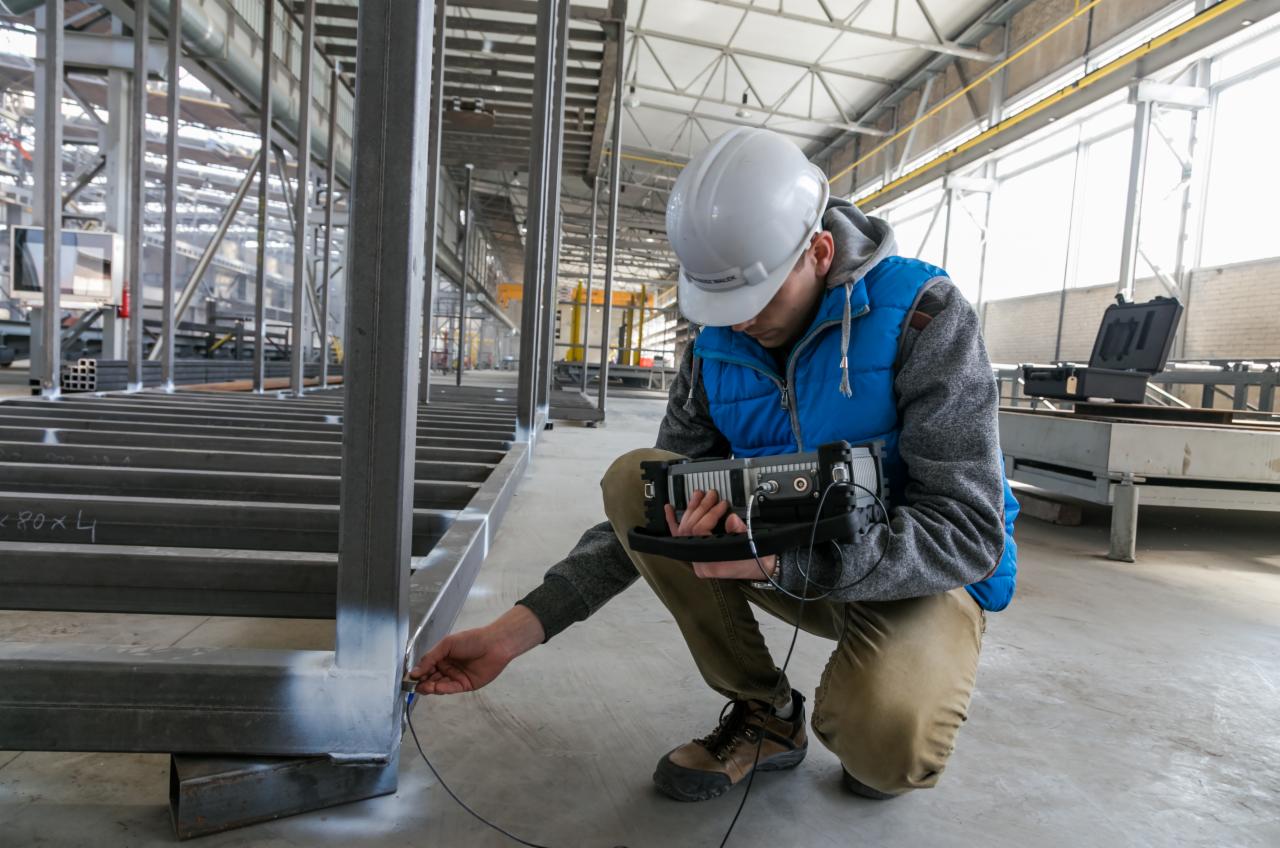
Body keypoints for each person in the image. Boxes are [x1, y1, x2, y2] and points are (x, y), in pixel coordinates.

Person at [409, 127, 1019, 803]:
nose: (739, 323)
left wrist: (791, 564)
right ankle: (767, 715)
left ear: (818, 253)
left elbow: (966, 529)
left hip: (918, 576)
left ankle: (875, 710)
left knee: (885, 750)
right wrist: (517, 630)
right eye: (722, 307)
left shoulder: (924, 319)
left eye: (755, 302)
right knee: (639, 477)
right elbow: (653, 511)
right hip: (777, 556)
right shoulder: (716, 348)